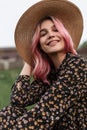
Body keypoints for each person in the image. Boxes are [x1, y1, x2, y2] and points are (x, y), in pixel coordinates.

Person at [0, 0, 87, 129]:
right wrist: (29, 58)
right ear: (39, 44)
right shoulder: (50, 74)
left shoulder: (77, 66)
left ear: (64, 35)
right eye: (43, 34)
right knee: (9, 114)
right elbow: (18, 100)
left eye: (56, 30)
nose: (51, 35)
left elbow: (43, 116)